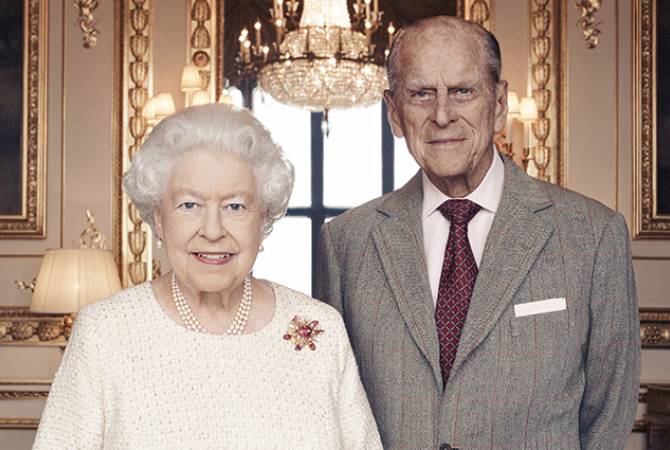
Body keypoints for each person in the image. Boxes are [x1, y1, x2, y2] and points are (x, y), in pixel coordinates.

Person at [316, 16, 640, 450]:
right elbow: (332, 409)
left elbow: (609, 415)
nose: (442, 115)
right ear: (394, 112)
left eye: (463, 91)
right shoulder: (346, 243)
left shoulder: (593, 236)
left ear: (499, 103)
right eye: (420, 93)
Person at [34, 104, 382, 449]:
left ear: (263, 219)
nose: (213, 230)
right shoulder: (104, 333)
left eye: (235, 206)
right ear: (159, 218)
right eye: (190, 205)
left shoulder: (321, 331)